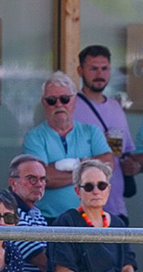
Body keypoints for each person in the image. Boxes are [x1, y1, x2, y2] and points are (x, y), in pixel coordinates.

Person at [22, 72, 114, 222]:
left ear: (74, 100)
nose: (59, 104)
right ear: (44, 103)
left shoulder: (91, 131)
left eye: (65, 99)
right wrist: (86, 172)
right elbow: (45, 179)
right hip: (48, 219)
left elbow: (108, 165)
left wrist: (69, 165)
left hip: (89, 217)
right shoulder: (34, 137)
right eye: (52, 100)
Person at [72, 45, 139, 224]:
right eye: (93, 68)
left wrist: (132, 166)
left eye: (104, 68)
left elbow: (126, 152)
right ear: (80, 71)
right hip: (83, 207)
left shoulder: (116, 107)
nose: (99, 74)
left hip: (116, 205)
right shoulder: (71, 107)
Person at [7, 154, 50, 272]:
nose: (39, 184)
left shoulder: (35, 212)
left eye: (42, 179)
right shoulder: (8, 213)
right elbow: (42, 262)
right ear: (13, 183)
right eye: (32, 179)